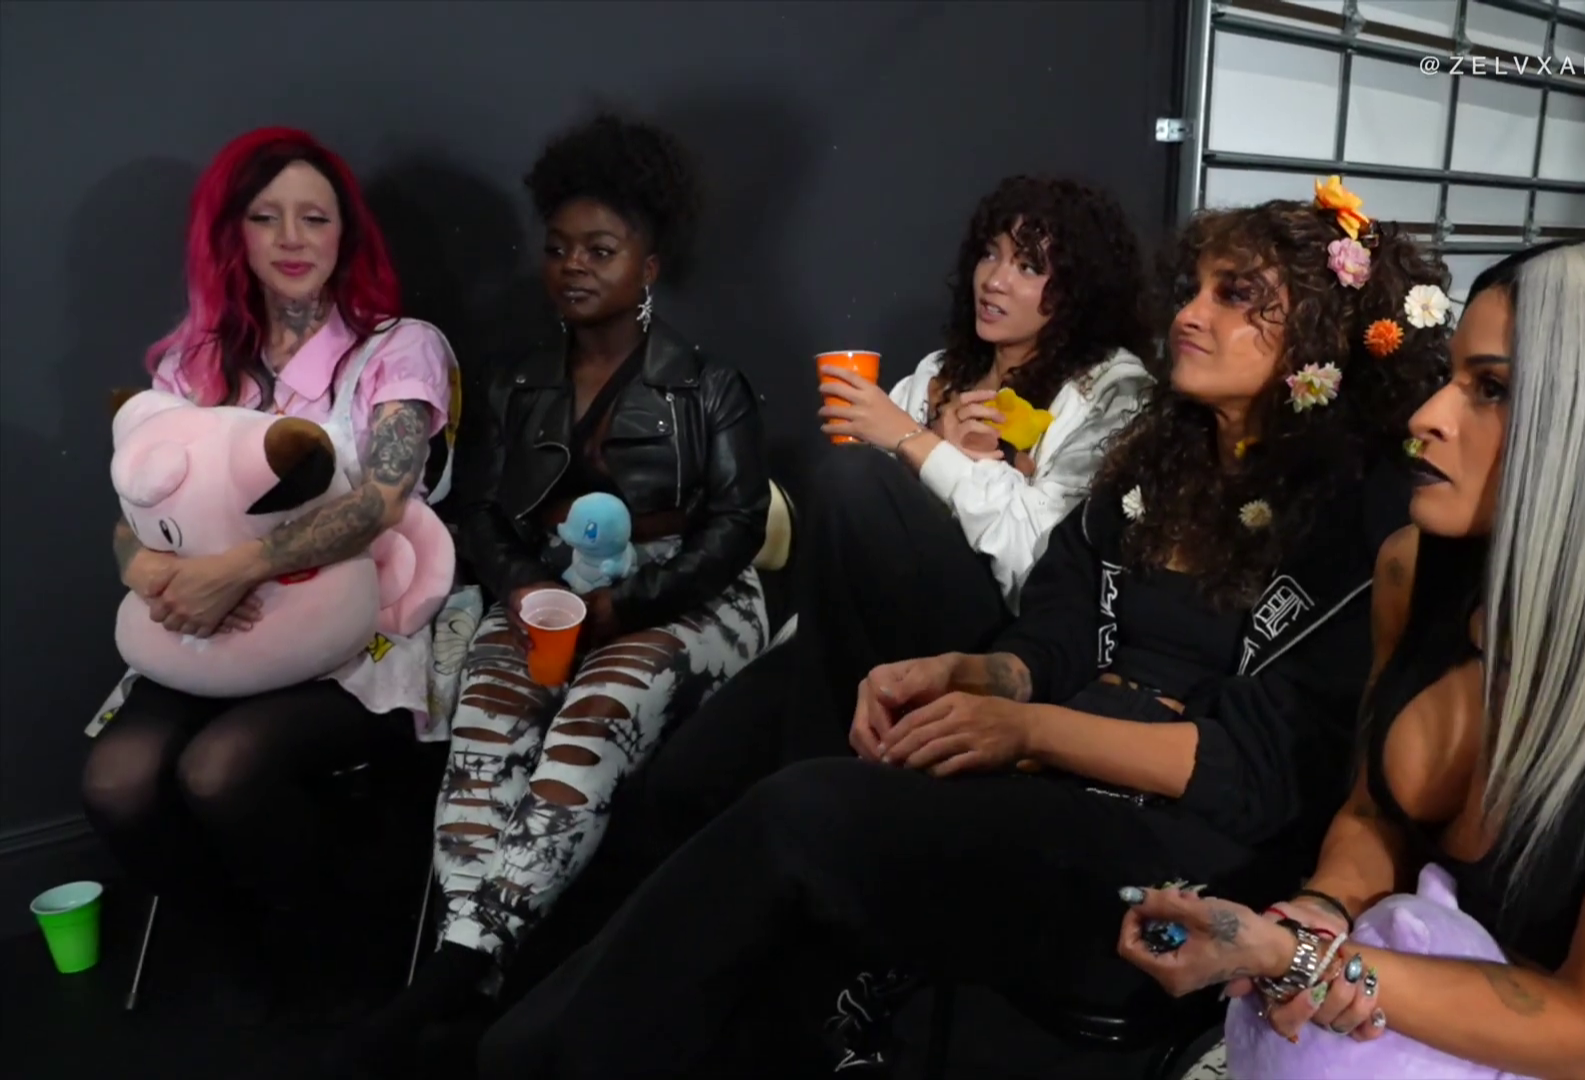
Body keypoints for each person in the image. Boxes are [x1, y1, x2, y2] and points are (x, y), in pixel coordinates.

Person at [475, 189, 1448, 1079]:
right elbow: (1059, 622)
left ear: (1324, 337)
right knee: (768, 791)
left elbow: (1260, 774)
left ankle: (527, 1060)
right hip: (1055, 774)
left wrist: (1029, 729)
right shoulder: (1162, 458)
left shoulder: (1364, 524)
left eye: (1238, 297)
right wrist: (981, 674)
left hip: (1181, 852)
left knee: (803, 816)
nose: (1192, 313)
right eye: (1192, 287)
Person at [1119, 241, 1585, 1080]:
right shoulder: (1413, 571)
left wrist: (1306, 959)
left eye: (1493, 389)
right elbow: (1376, 816)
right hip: (1417, 1009)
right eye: (1454, 376)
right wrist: (1322, 912)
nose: (1427, 416)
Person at [495, 176, 1157, 1048]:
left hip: (989, 649)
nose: (996, 279)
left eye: (1030, 266)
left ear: (1082, 284)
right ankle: (538, 1006)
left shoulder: (1113, 391)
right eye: (991, 254)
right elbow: (853, 550)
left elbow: (1047, 564)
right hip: (849, 642)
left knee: (851, 480)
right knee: (685, 779)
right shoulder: (941, 373)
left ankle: (768, 1001)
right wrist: (933, 442)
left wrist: (918, 448)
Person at [339, 111, 770, 1068]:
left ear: (649, 267)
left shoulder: (710, 384)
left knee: (593, 718)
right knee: (487, 721)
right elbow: (483, 513)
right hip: (549, 588)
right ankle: (473, 972)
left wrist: (627, 607)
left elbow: (738, 527)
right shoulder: (516, 380)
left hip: (690, 597)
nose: (573, 267)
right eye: (559, 248)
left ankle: (454, 977)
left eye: (600, 251)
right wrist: (532, 589)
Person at [79, 127, 458, 1004]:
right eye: (265, 216)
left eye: (314, 218)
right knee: (117, 782)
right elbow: (135, 517)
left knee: (223, 771)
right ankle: (238, 938)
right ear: (232, 234)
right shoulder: (194, 361)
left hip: (352, 636)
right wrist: (150, 574)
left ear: (344, 235)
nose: (292, 238)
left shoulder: (398, 348)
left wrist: (238, 568)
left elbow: (383, 501)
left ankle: (322, 956)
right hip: (209, 630)